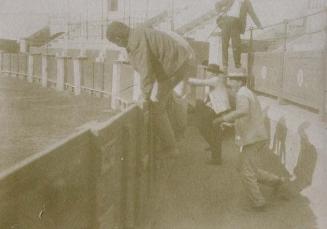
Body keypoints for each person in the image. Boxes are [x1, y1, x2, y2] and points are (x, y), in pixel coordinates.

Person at [106, 21, 197, 158]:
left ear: (118, 39)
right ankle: (177, 136)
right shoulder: (138, 32)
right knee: (165, 101)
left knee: (157, 109)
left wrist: (144, 97)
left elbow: (146, 72)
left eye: (115, 43)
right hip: (178, 64)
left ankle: (171, 148)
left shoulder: (135, 42)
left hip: (174, 68)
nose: (118, 46)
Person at [213, 73, 285, 210]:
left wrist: (223, 119)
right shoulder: (246, 92)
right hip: (255, 136)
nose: (229, 82)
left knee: (246, 171)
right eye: (229, 79)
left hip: (254, 138)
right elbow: (247, 116)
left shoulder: (242, 94)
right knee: (246, 168)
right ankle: (276, 181)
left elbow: (243, 111)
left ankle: (259, 202)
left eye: (233, 80)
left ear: (240, 82)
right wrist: (232, 124)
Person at [188, 64, 231, 165]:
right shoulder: (215, 80)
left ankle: (214, 151)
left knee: (203, 127)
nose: (207, 72)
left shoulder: (215, 79)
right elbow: (211, 96)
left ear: (214, 72)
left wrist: (186, 79)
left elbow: (199, 82)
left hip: (220, 110)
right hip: (219, 109)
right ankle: (215, 152)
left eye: (209, 70)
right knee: (214, 131)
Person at [215, 0, 263, 73]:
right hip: (226, 21)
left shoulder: (247, 3)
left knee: (236, 44)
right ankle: (225, 65)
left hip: (236, 23)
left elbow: (253, 14)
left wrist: (259, 25)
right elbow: (217, 4)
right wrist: (220, 13)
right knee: (224, 44)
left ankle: (237, 64)